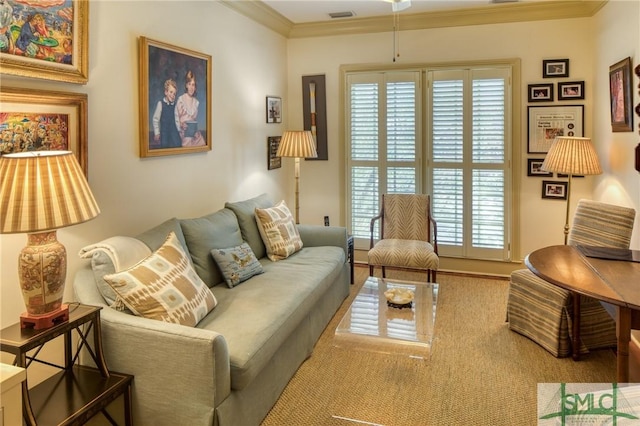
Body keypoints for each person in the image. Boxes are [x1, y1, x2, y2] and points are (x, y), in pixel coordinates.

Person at [176, 70, 205, 147]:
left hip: (193, 132)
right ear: (186, 85)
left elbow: (194, 121)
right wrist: (182, 124)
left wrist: (194, 130)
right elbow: (176, 118)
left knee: (201, 141)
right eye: (189, 84)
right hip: (183, 131)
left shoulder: (196, 102)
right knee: (188, 140)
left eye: (193, 85)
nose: (191, 87)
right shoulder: (181, 100)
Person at [152, 79, 181, 149]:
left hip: (174, 134)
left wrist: (179, 130)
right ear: (166, 92)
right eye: (171, 92)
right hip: (165, 134)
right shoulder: (161, 104)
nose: (173, 95)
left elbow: (177, 119)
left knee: (177, 147)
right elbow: (155, 119)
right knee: (165, 149)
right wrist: (157, 133)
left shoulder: (175, 105)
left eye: (174, 94)